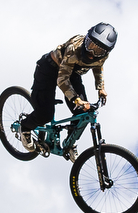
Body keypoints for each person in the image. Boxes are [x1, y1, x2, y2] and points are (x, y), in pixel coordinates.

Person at [17, 23, 118, 155]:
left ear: (106, 52)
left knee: (83, 112)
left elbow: (98, 66)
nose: (91, 52)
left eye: (98, 51)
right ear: (87, 38)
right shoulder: (74, 49)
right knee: (44, 114)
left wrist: (101, 88)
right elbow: (62, 80)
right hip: (48, 69)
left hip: (72, 73)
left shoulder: (103, 56)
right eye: (90, 45)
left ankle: (70, 142)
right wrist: (76, 99)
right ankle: (24, 127)